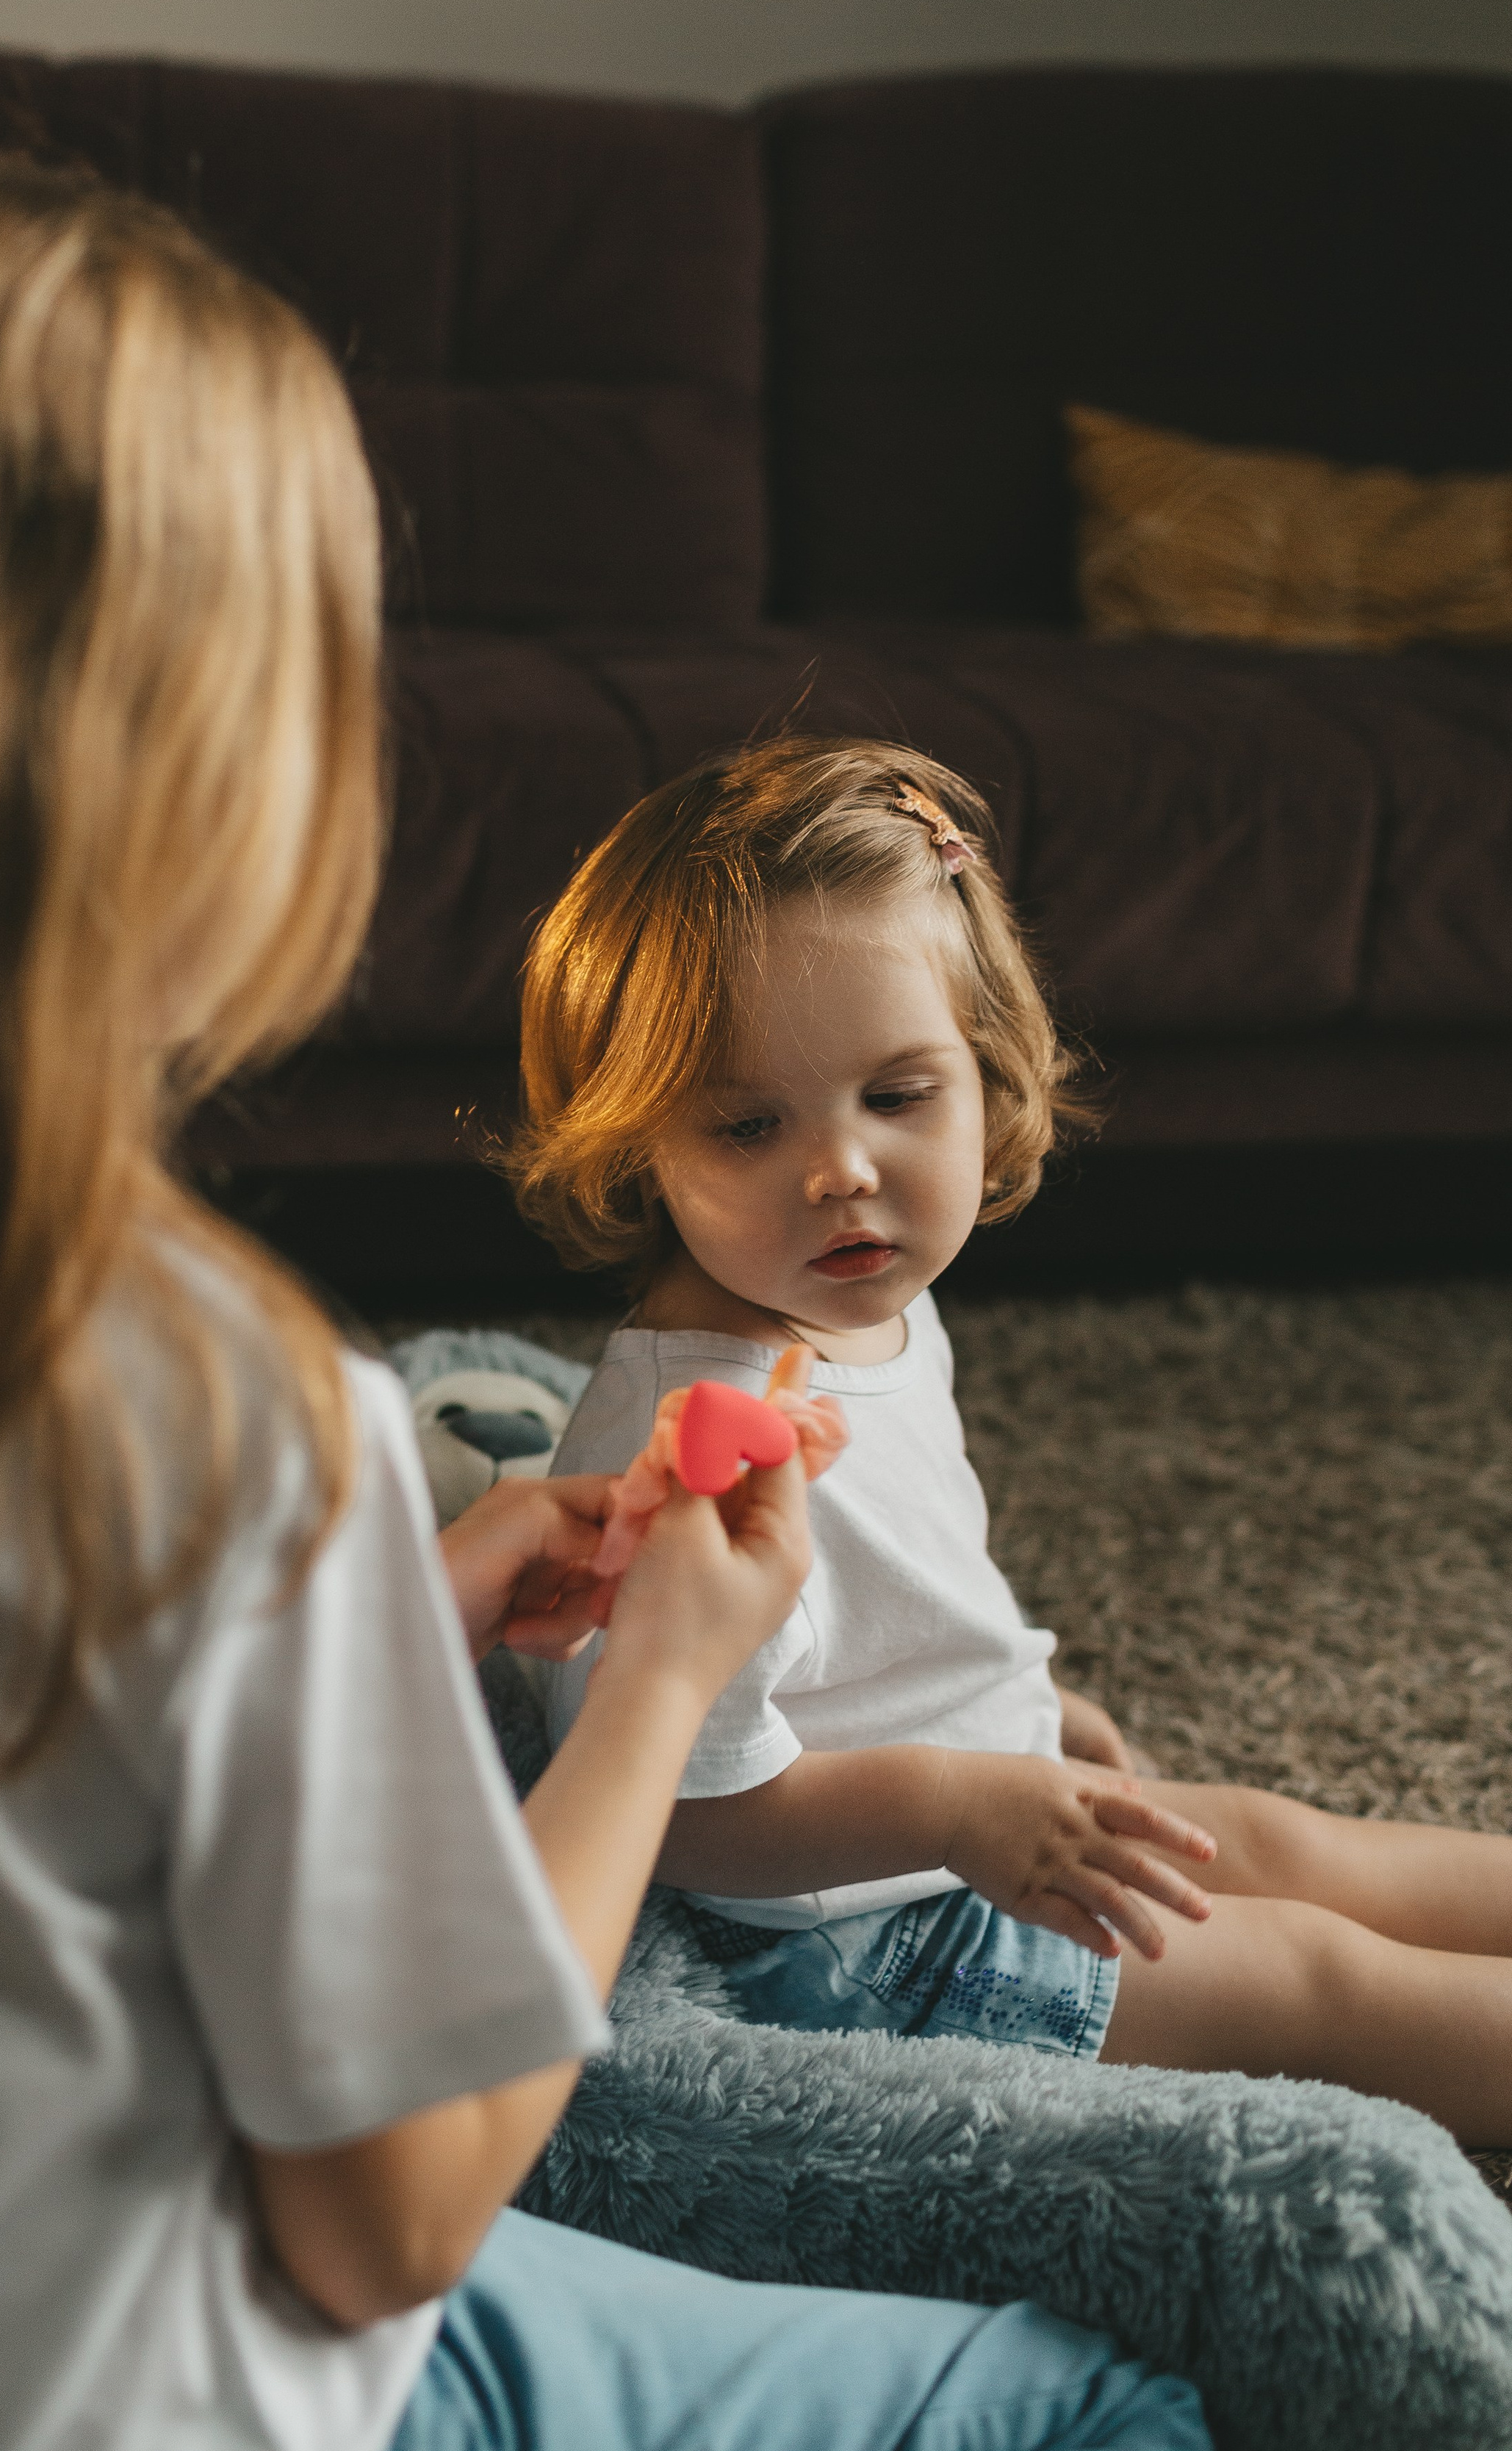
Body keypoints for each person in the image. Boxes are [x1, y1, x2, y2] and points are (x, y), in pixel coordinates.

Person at [0, 126, 1234, 2451]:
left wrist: (386, 1602)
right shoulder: (190, 1408)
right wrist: (658, 1692)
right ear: (200, 784)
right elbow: (393, 2216)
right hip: (177, 2441)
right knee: (1098, 2419)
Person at [512, 734, 1512, 2147]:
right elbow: (675, 1817)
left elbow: (899, 1597)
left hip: (962, 1826)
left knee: (1292, 1847)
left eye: (900, 1096)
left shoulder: (864, 1303)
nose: (842, 1169)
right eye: (747, 1123)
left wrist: (1008, 1716)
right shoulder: (687, 1448)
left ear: (987, 1077)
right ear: (637, 1149)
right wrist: (953, 1797)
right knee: (1319, 1983)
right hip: (859, 1946)